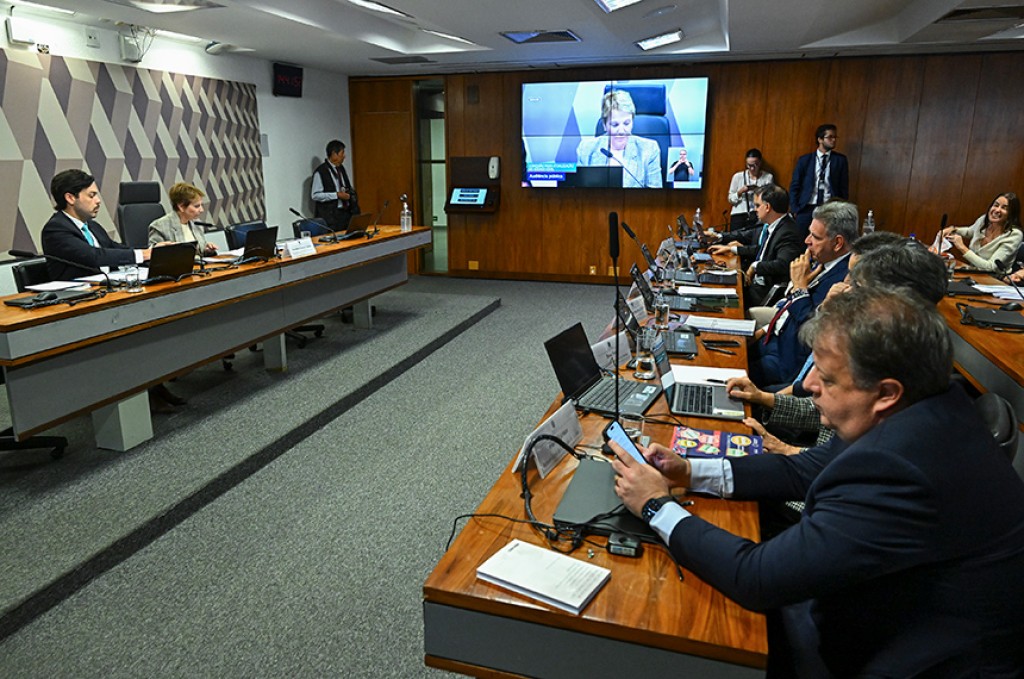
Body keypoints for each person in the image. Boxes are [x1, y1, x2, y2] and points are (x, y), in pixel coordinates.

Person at [611, 286, 1024, 677]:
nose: (809, 386)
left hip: (906, 659)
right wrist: (688, 470)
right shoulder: (919, 407)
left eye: (826, 379)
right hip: (883, 603)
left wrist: (656, 506)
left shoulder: (899, 467)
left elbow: (757, 578)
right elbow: (802, 470)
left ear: (886, 392)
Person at [732, 235, 948, 455]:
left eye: (855, 283)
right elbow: (828, 406)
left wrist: (788, 450)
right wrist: (764, 399)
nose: (843, 286)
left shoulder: (889, 357)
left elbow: (836, 459)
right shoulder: (880, 336)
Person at [747, 200, 857, 389]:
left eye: (815, 237)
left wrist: (799, 287)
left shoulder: (845, 279)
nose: (807, 241)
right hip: (774, 340)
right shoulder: (820, 261)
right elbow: (789, 306)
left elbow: (814, 329)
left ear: (838, 243)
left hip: (788, 362)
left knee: (729, 374)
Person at [41, 169, 153, 280]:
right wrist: (143, 255)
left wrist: (154, 251)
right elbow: (93, 256)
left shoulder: (93, 226)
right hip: (78, 290)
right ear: (70, 198)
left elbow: (116, 248)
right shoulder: (55, 229)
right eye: (91, 196)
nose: (98, 200)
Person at [708, 184, 802, 306]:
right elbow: (764, 250)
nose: (755, 209)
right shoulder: (774, 225)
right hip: (754, 284)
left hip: (762, 292)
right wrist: (732, 249)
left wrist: (755, 266)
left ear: (767, 207)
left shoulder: (788, 231)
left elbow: (783, 264)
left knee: (718, 300)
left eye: (757, 205)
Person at [576, 90, 663, 188]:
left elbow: (655, 193)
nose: (621, 131)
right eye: (615, 124)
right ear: (604, 125)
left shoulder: (649, 149)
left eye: (626, 123)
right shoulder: (586, 149)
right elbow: (580, 192)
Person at [936, 192, 1022, 272]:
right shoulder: (984, 220)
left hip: (994, 279)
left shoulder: (1014, 235)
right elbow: (969, 232)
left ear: (1011, 214)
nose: (997, 210)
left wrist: (962, 247)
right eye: (996, 205)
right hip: (973, 272)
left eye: (1004, 208)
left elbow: (991, 267)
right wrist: (953, 229)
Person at [789, 125, 849, 236]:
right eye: (830, 137)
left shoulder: (840, 160)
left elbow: (843, 187)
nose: (834, 140)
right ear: (820, 139)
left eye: (835, 137)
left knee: (826, 240)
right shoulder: (805, 160)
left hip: (829, 208)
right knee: (800, 240)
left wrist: (841, 209)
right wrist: (795, 209)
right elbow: (795, 185)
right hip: (806, 208)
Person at [148, 182, 218, 256]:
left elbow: (199, 253)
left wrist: (207, 250)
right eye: (197, 206)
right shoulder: (159, 227)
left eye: (201, 205)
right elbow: (154, 256)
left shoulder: (197, 224)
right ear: (181, 207)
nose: (202, 210)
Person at [311, 139, 358, 232]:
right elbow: (315, 195)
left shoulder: (341, 169)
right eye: (342, 153)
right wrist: (336, 195)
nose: (344, 156)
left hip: (345, 214)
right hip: (331, 217)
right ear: (334, 154)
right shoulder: (321, 172)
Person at [726, 149, 774, 230]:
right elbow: (730, 199)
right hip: (739, 214)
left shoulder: (768, 177)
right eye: (749, 165)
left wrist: (758, 190)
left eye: (755, 165)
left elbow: (770, 198)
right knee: (734, 237)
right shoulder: (738, 177)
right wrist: (740, 192)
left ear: (760, 163)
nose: (752, 168)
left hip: (757, 215)